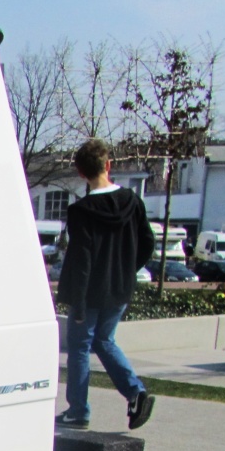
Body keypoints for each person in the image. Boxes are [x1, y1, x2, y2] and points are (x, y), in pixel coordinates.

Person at [56, 138, 156, 430]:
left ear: (80, 173)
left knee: (80, 346)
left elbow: (82, 259)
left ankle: (78, 410)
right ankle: (135, 391)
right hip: (119, 289)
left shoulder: (81, 212)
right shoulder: (132, 202)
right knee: (105, 340)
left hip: (89, 293)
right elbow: (147, 243)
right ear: (108, 165)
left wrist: (79, 301)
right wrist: (126, 270)